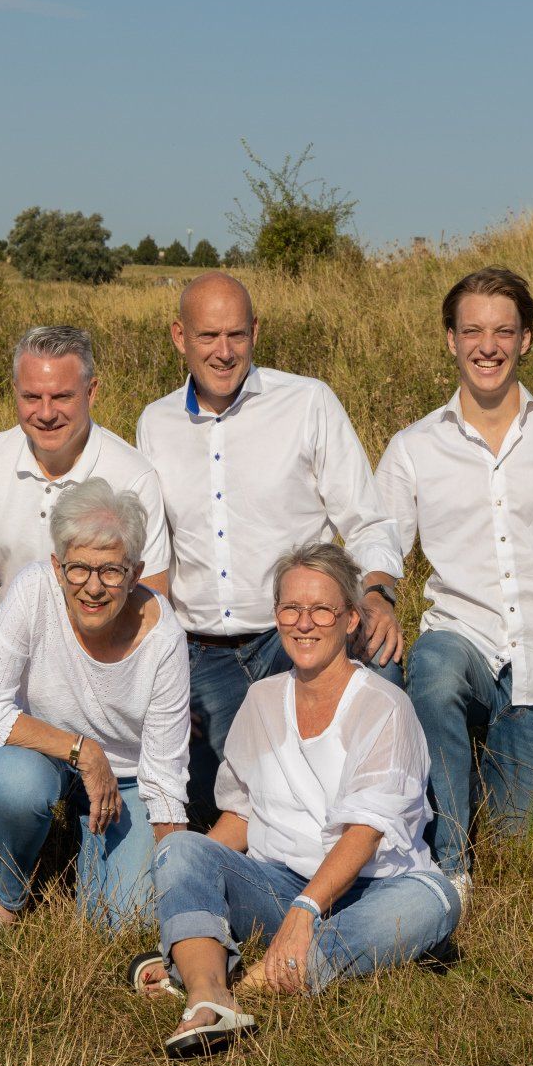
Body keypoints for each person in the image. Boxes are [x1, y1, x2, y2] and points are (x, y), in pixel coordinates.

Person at [135, 543, 460, 1059]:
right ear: (276, 615)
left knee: (435, 901)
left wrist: (306, 911)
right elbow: (241, 813)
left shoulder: (384, 706)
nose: (303, 623)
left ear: (351, 618)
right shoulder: (261, 699)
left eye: (321, 609)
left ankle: (248, 980)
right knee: (179, 849)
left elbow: (365, 832)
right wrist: (188, 878)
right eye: (290, 608)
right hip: (278, 881)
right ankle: (208, 996)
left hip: (373, 888)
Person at [374, 266, 533, 885]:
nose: (486, 346)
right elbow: (379, 545)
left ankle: (464, 797)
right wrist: (378, 594)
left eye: (502, 331)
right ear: (450, 340)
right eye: (472, 331)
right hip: (462, 641)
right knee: (433, 673)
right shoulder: (413, 447)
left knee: (517, 849)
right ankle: (447, 874)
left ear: (526, 340)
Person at [135, 272, 404, 826]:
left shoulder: (307, 403)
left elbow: (368, 518)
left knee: (380, 667)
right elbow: (153, 557)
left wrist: (376, 594)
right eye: (208, 336)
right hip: (202, 655)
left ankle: (383, 838)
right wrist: (159, 669)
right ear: (178, 337)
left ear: (256, 331)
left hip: (296, 635)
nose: (224, 351)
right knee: (230, 812)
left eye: (237, 334)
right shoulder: (155, 423)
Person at [0, 479, 190, 932]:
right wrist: (83, 750)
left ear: (137, 573)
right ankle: (8, 895)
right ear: (57, 566)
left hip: (128, 781)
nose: (93, 587)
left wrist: (173, 873)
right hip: (44, 757)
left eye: (111, 571)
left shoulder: (166, 639)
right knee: (12, 782)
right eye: (79, 568)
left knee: (126, 920)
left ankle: (87, 849)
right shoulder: (31, 591)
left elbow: (164, 771)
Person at [0, 325, 170, 651]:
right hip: (6, 637)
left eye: (62, 396)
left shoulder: (133, 475)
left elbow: (151, 597)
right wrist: (2, 641)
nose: (46, 413)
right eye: (32, 397)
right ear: (15, 391)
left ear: (91, 391)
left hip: (99, 649)